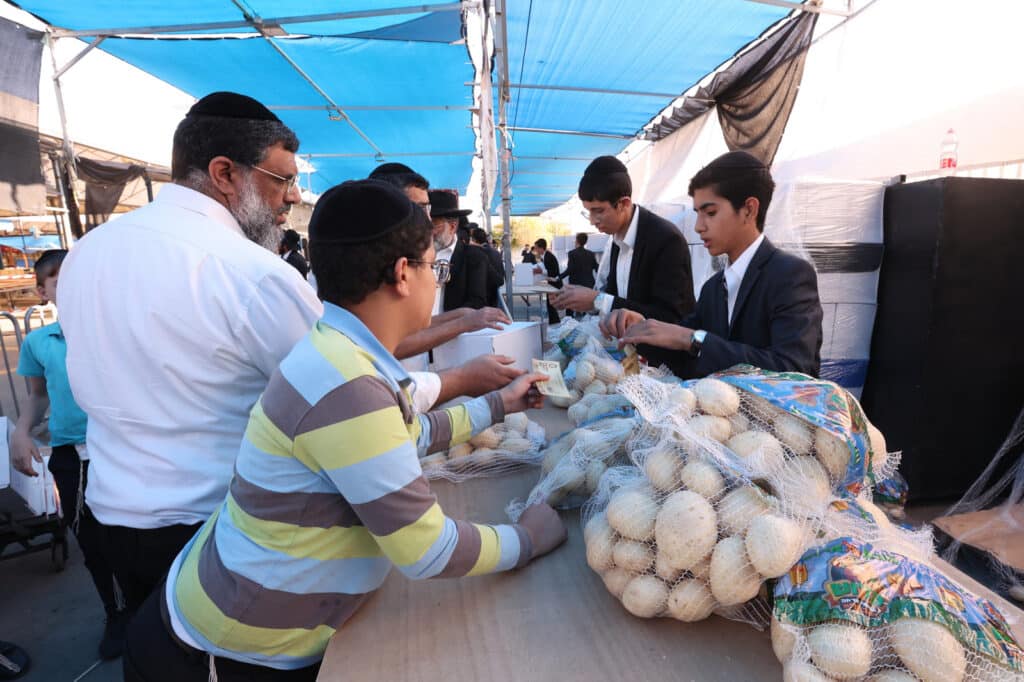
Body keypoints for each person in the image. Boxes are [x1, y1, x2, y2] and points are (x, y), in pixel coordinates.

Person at [122, 180, 567, 681]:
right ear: (403, 274)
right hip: (224, 654)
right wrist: (527, 539)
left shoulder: (338, 349)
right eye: (433, 268)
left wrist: (496, 406)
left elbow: (403, 436)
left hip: (225, 614)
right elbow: (428, 551)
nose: (436, 281)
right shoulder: (347, 380)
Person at [56, 92, 323, 617]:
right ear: (225, 173)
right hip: (218, 528)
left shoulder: (88, 252)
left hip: (116, 519)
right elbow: (336, 395)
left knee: (157, 655)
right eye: (281, 179)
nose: (290, 198)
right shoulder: (253, 271)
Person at [601, 151, 823, 379]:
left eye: (710, 212)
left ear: (749, 209)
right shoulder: (713, 289)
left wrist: (693, 339)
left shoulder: (789, 276)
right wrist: (641, 329)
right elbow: (684, 356)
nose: (698, 226)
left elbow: (795, 370)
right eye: (697, 213)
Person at [10, 250, 127, 659]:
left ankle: (154, 606)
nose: (69, 281)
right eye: (56, 278)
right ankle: (115, 614)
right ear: (43, 292)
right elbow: (37, 397)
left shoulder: (114, 329)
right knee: (92, 541)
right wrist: (21, 433)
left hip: (122, 448)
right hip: (71, 456)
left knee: (137, 534)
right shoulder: (40, 342)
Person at [369, 163, 520, 409]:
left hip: (417, 383)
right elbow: (389, 342)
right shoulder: (373, 268)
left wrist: (461, 317)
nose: (427, 222)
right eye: (420, 210)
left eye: (429, 213)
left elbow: (411, 330)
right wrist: (463, 378)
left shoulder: (465, 256)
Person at [549, 156, 695, 324]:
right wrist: (577, 299)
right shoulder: (617, 240)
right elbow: (617, 299)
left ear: (624, 204)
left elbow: (671, 318)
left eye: (598, 211)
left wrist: (597, 300)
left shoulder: (666, 240)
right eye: (588, 212)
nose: (592, 220)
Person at [428, 189, 488, 311]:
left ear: (452, 227)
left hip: (453, 327)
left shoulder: (473, 257)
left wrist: (445, 324)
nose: (427, 231)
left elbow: (477, 301)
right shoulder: (412, 255)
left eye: (433, 225)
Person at [471, 226, 504, 308]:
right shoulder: (496, 252)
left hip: (482, 296)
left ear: (474, 240)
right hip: (495, 293)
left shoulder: (477, 253)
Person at [531, 238, 561, 324]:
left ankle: (555, 322)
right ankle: (554, 322)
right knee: (550, 304)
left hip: (555, 284)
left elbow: (554, 272)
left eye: (536, 248)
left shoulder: (548, 256)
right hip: (551, 283)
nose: (535, 250)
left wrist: (540, 271)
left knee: (551, 304)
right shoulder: (545, 256)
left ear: (541, 248)